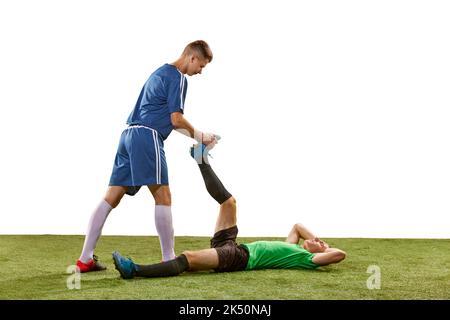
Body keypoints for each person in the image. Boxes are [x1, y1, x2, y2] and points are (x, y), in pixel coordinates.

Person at [76, 40, 219, 273]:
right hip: (147, 137)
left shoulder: (159, 72)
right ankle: (168, 258)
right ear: (192, 58)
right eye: (201, 66)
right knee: (163, 196)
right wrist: (200, 136)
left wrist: (196, 136)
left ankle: (85, 259)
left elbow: (168, 119)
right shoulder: (179, 78)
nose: (200, 72)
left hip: (128, 135)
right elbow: (176, 120)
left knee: (111, 197)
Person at [112, 144, 347, 279]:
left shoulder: (307, 259)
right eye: (319, 239)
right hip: (234, 245)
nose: (318, 239)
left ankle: (134, 270)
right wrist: (314, 239)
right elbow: (297, 226)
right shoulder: (294, 247)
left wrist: (322, 251)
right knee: (229, 203)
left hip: (238, 259)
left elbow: (340, 254)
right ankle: (201, 159)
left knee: (187, 258)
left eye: (321, 242)